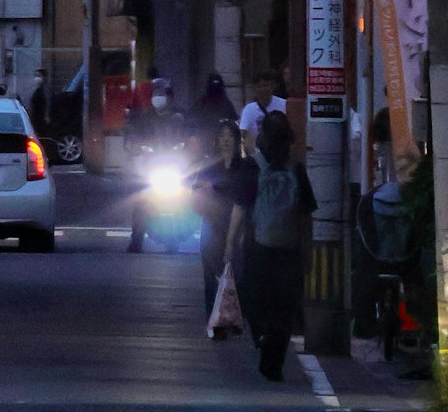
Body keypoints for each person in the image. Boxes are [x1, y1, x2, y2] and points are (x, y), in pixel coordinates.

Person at [238, 112, 315, 383]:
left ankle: (262, 336)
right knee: (284, 307)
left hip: (257, 248)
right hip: (289, 249)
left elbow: (240, 208)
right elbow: (306, 216)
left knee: (255, 300)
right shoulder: (297, 169)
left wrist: (230, 245)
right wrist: (308, 252)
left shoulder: (252, 167)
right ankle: (274, 363)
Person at [190, 118, 257, 319]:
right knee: (211, 273)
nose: (226, 140)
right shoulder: (209, 167)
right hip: (212, 226)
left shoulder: (245, 167)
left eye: (230, 135)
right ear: (216, 140)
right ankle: (213, 315)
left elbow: (248, 198)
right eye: (222, 136)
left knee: (238, 272)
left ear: (237, 139)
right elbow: (195, 198)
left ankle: (237, 314)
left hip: (238, 227)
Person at [124, 78, 189, 252]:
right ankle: (136, 240)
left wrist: (186, 146)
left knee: (184, 197)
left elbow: (189, 136)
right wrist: (138, 147)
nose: (157, 97)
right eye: (155, 94)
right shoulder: (146, 118)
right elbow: (136, 137)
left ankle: (175, 237)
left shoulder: (180, 116)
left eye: (161, 94)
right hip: (151, 165)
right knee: (141, 199)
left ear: (170, 97)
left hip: (174, 164)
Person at [186, 72, 239, 156]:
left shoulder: (226, 104)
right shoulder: (202, 102)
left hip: (222, 147)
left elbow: (234, 122)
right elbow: (190, 119)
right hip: (203, 144)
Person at [238, 68, 288, 154]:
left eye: (266, 86)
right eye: (260, 86)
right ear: (255, 88)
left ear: (272, 86)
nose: (264, 89)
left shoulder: (284, 105)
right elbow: (243, 133)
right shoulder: (249, 109)